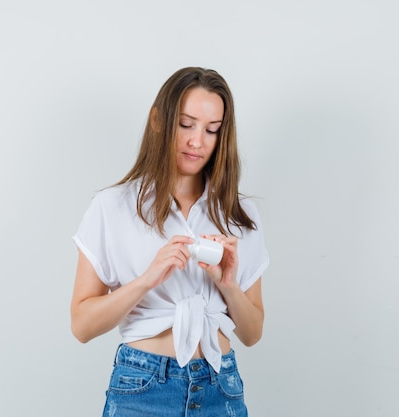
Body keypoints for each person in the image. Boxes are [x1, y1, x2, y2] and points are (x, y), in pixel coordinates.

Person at [70, 67, 269, 417]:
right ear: (159, 121)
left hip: (220, 388)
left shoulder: (239, 214)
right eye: (186, 124)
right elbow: (82, 325)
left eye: (211, 130)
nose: (198, 141)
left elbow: (252, 334)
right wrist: (148, 279)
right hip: (142, 389)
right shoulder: (113, 207)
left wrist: (229, 286)